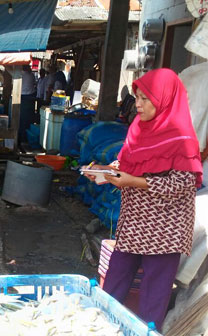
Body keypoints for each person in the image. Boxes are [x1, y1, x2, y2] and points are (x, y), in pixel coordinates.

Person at [83, 68, 202, 330]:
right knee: (114, 281)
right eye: (137, 97)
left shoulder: (181, 136)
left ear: (164, 99)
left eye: (144, 99)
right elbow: (129, 162)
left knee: (153, 296)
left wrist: (133, 182)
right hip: (134, 223)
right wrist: (107, 172)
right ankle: (100, 327)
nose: (136, 104)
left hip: (165, 229)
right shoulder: (139, 127)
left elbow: (183, 183)